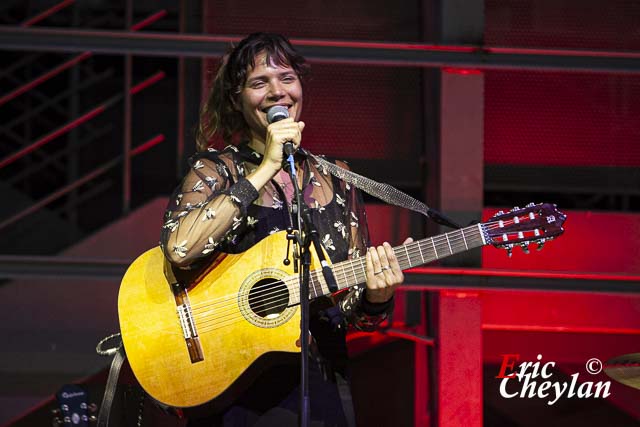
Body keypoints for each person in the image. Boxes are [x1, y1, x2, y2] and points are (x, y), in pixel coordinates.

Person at [160, 32, 410, 426]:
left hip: (319, 384)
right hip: (235, 385)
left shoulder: (337, 179)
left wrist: (377, 298)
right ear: (237, 100)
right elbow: (179, 248)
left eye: (287, 78)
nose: (278, 92)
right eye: (260, 83)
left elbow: (354, 316)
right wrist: (264, 170)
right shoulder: (216, 171)